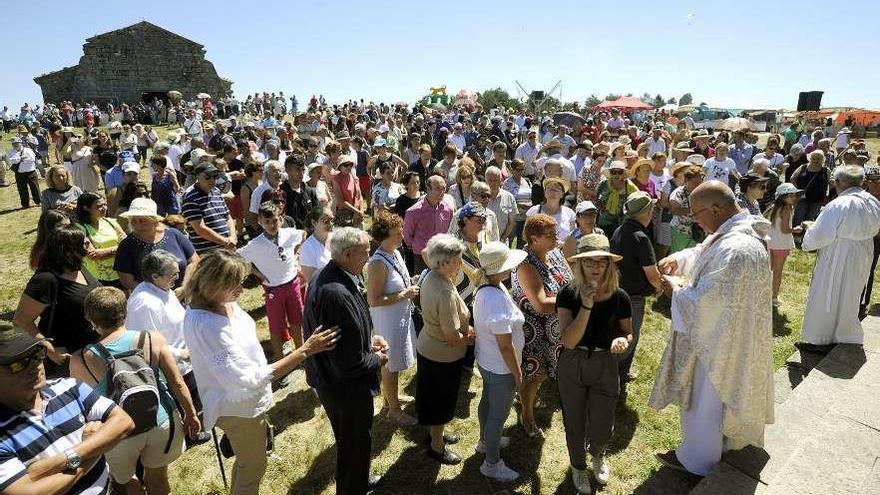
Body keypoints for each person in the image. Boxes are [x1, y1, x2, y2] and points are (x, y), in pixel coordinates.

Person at [183, 250, 338, 495]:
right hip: (239, 410)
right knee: (253, 467)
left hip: (246, 404)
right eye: (234, 285)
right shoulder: (207, 325)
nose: (241, 292)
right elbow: (248, 379)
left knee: (246, 463)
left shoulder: (220, 302)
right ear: (213, 285)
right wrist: (305, 351)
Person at [651, 181, 775, 477]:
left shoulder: (737, 247)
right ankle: (726, 442)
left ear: (716, 210)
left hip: (717, 343)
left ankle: (698, 458)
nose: (693, 220)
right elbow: (707, 252)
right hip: (733, 334)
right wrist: (679, 259)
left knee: (707, 398)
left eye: (695, 214)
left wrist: (674, 291)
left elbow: (707, 301)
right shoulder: (735, 233)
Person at [69, 287, 201, 495]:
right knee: (158, 477)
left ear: (90, 319)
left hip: (118, 431)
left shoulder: (80, 360)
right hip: (160, 420)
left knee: (127, 481)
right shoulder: (152, 339)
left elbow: (83, 405)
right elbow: (177, 382)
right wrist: (191, 414)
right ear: (125, 312)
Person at [0, 323, 135, 495]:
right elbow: (28, 493)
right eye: (18, 364)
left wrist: (55, 464)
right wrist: (91, 452)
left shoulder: (69, 386)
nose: (35, 366)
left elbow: (124, 423)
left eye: (37, 354)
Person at [302, 227, 386, 493]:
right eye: (365, 251)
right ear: (348, 254)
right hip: (345, 389)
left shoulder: (332, 274)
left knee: (352, 443)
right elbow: (349, 364)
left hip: (335, 382)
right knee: (354, 441)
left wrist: (366, 342)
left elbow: (343, 339)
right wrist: (378, 358)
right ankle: (353, 487)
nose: (370, 255)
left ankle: (356, 479)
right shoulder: (335, 293)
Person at [557, 233, 632, 490]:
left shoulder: (620, 296)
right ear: (579, 264)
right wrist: (586, 306)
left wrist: (623, 341)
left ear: (609, 265)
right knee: (574, 420)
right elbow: (568, 341)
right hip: (573, 362)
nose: (596, 267)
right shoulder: (568, 294)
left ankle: (598, 454)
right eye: (589, 262)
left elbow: (627, 330)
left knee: (603, 422)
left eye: (602, 262)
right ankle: (578, 466)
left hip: (605, 364)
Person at [799, 166, 880, 348]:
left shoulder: (838, 204)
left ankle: (821, 338)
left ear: (837, 183)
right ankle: (846, 334)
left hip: (839, 253)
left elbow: (821, 234)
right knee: (851, 293)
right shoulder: (873, 201)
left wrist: (809, 228)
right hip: (864, 251)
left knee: (829, 294)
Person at [511, 214, 574, 437]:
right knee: (534, 374)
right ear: (534, 239)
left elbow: (571, 280)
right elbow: (540, 304)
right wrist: (577, 301)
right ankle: (527, 416)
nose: (557, 237)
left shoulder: (555, 253)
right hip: (535, 333)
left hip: (556, 329)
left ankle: (525, 401)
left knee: (546, 373)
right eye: (551, 234)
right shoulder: (525, 264)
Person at [472, 241, 528, 481]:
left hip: (487, 362)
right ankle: (492, 464)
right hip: (500, 367)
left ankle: (485, 441)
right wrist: (517, 373)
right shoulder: (494, 298)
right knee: (498, 416)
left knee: (487, 402)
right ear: (498, 269)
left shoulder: (488, 287)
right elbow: (505, 345)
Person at [416, 234, 472, 465]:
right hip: (442, 354)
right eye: (458, 260)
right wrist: (470, 339)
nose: (461, 264)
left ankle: (432, 432)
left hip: (428, 346)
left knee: (430, 395)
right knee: (440, 400)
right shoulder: (445, 291)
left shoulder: (432, 275)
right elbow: (451, 337)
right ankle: (437, 446)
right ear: (444, 262)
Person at [15, 226, 102, 373]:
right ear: (68, 250)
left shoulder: (78, 267)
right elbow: (21, 321)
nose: (88, 241)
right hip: (66, 357)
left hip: (92, 348)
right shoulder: (45, 280)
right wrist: (50, 350)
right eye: (82, 241)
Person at [367, 211, 419, 427]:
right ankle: (394, 411)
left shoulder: (395, 253)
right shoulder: (377, 263)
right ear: (383, 236)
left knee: (395, 361)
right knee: (389, 363)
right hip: (387, 318)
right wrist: (403, 295)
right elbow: (373, 299)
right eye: (396, 234)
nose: (401, 237)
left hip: (399, 315)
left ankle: (391, 399)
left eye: (401, 232)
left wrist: (411, 281)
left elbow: (398, 280)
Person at [125, 249, 195, 402]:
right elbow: (143, 344)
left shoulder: (163, 288)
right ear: (155, 276)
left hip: (188, 364)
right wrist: (180, 354)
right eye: (173, 275)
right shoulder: (145, 304)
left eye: (178, 273)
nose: (177, 278)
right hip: (173, 373)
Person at [610, 192, 662, 394]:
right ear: (647, 212)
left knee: (619, 334)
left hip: (617, 292)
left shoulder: (619, 230)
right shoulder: (641, 237)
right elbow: (652, 273)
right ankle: (616, 378)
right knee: (630, 337)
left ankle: (619, 373)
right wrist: (659, 287)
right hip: (632, 297)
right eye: (652, 209)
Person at [115, 198, 198, 291]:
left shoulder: (174, 234)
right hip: (152, 301)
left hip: (185, 295)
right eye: (133, 221)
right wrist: (158, 295)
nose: (137, 225)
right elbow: (127, 280)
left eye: (142, 220)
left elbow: (194, 261)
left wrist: (185, 287)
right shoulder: (126, 246)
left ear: (154, 220)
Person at [73, 193, 126, 288]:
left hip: (121, 273)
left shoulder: (111, 222)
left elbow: (127, 244)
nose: (104, 208)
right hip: (98, 279)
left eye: (105, 204)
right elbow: (93, 255)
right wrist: (119, 249)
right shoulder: (80, 228)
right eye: (99, 206)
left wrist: (104, 252)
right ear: (86, 208)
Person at [403, 175, 454, 273]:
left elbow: (450, 230)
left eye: (443, 188)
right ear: (428, 188)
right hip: (422, 258)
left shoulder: (448, 209)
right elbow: (407, 237)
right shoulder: (413, 212)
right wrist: (418, 246)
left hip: (444, 256)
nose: (441, 192)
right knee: (423, 286)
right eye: (437, 188)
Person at [182, 163, 236, 253]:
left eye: (214, 176)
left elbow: (228, 217)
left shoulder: (216, 191)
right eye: (208, 177)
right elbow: (200, 229)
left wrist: (233, 237)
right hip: (208, 254)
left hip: (227, 248)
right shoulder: (190, 198)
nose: (212, 180)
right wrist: (225, 241)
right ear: (198, 177)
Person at [766, 183, 804, 307]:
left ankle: (766, 294)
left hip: (770, 242)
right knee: (777, 272)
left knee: (769, 270)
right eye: (790, 195)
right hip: (781, 244)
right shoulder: (787, 209)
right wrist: (796, 229)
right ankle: (773, 297)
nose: (794, 198)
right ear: (782, 197)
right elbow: (785, 230)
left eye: (794, 195)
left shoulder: (772, 207)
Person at [526, 177, 576, 245]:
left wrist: (562, 244)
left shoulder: (570, 213)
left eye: (556, 190)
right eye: (550, 189)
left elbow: (573, 237)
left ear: (562, 194)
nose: (553, 192)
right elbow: (525, 236)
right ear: (545, 193)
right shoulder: (534, 211)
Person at [668, 165, 706, 253]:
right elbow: (674, 210)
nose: (699, 184)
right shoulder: (678, 193)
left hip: (697, 232)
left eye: (701, 182)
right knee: (678, 257)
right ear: (687, 180)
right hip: (680, 231)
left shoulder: (702, 192)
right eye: (696, 182)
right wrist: (694, 211)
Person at [596, 161, 638, 234]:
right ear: (610, 173)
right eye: (613, 172)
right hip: (602, 222)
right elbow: (597, 198)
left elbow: (635, 206)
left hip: (621, 226)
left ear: (624, 174)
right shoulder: (603, 184)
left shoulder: (631, 188)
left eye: (620, 172)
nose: (616, 175)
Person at [790, 150, 831, 225]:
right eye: (814, 158)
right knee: (799, 217)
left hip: (817, 199)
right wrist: (797, 190)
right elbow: (792, 178)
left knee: (810, 219)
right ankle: (797, 234)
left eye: (818, 159)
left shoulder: (826, 170)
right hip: (802, 198)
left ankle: (806, 235)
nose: (816, 160)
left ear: (823, 160)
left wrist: (828, 194)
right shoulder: (803, 167)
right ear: (810, 158)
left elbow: (830, 183)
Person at [7, 137, 41, 209]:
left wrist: (18, 159)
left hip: (31, 172)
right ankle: (25, 205)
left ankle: (38, 202)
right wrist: (21, 158)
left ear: (20, 143)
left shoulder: (28, 150)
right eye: (13, 143)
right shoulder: (10, 151)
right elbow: (11, 160)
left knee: (35, 188)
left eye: (16, 143)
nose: (14, 145)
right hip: (19, 173)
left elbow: (31, 159)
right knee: (22, 190)